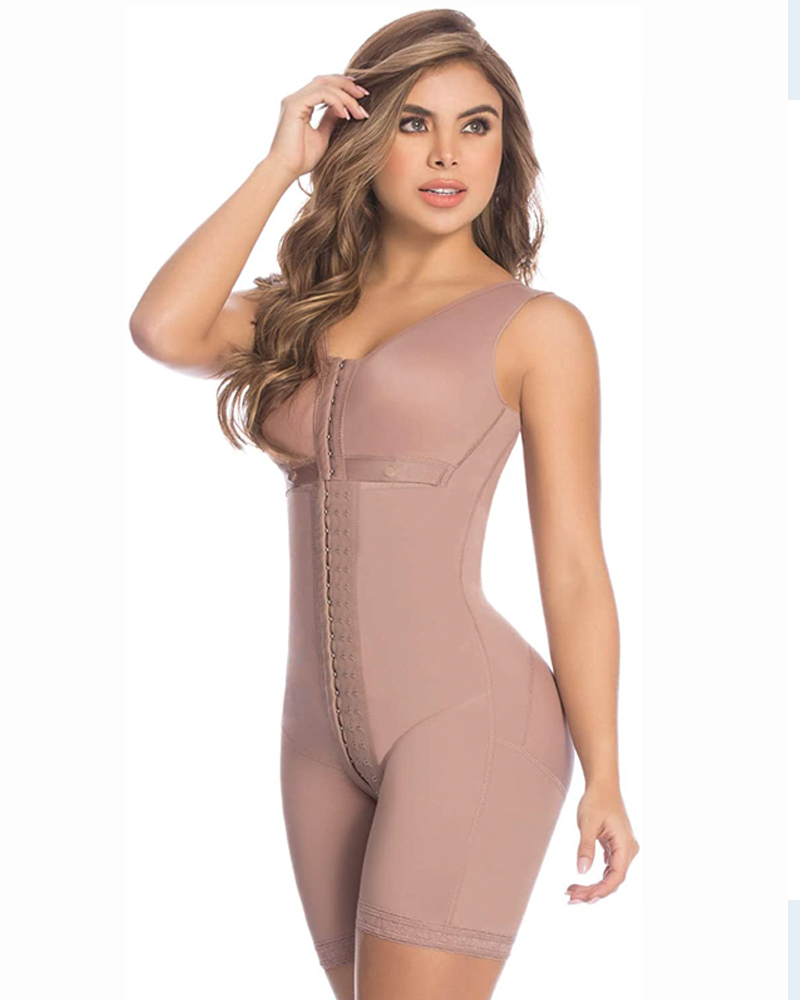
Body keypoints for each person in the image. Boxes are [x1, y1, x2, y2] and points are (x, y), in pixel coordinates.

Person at [129, 10, 639, 999]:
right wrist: (280, 163)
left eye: (476, 125)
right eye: (413, 122)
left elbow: (574, 566)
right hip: (313, 742)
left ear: (507, 146)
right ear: (361, 140)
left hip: (469, 722)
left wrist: (605, 773)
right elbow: (162, 328)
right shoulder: (298, 314)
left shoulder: (538, 329)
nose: (448, 154)